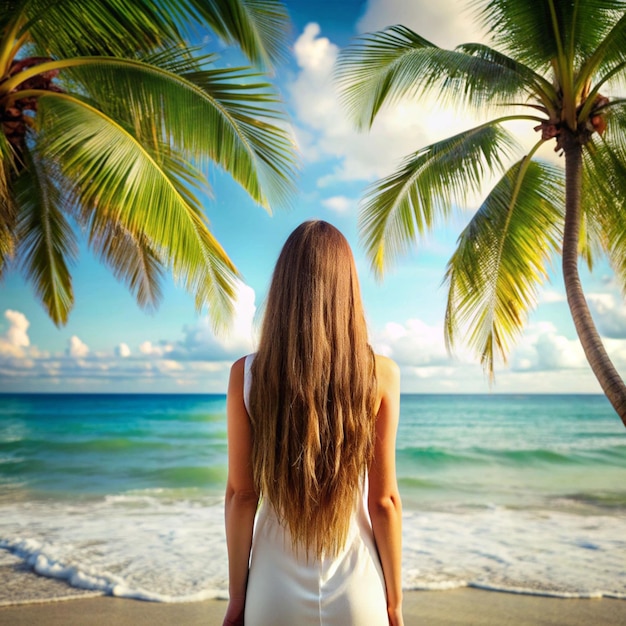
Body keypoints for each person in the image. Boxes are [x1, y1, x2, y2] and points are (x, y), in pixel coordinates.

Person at [223, 220, 403, 626]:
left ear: (283, 289)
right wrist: (393, 603)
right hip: (358, 590)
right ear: (349, 289)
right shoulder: (381, 375)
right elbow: (384, 501)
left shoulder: (247, 375)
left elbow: (241, 495)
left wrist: (238, 598)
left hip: (272, 592)